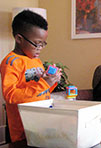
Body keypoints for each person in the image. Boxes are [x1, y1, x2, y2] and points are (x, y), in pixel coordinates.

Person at [0, 10, 61, 142]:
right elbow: (10, 96)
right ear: (19, 39)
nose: (40, 48)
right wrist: (44, 84)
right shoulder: (11, 62)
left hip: (41, 122)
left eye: (43, 43)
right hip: (22, 128)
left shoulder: (35, 60)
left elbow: (39, 91)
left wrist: (52, 81)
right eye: (37, 43)